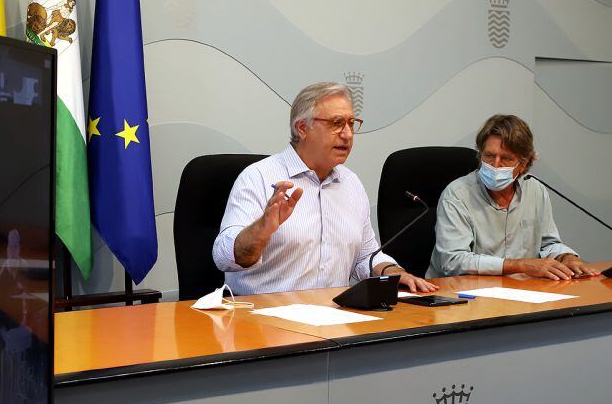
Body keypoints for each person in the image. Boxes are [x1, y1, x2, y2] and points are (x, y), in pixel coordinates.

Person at [212, 82, 437, 295]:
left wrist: (394, 272)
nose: (348, 134)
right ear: (302, 128)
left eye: (351, 123)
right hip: (263, 320)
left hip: (333, 320)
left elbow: (365, 257)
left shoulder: (351, 183)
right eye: (336, 123)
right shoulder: (258, 177)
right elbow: (223, 257)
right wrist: (263, 228)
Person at [428, 114, 601, 279]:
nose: (495, 165)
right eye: (489, 156)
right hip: (460, 294)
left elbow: (548, 244)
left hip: (516, 291)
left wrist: (566, 256)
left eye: (506, 158)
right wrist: (521, 265)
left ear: (523, 163)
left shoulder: (536, 191)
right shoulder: (457, 194)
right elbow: (452, 261)